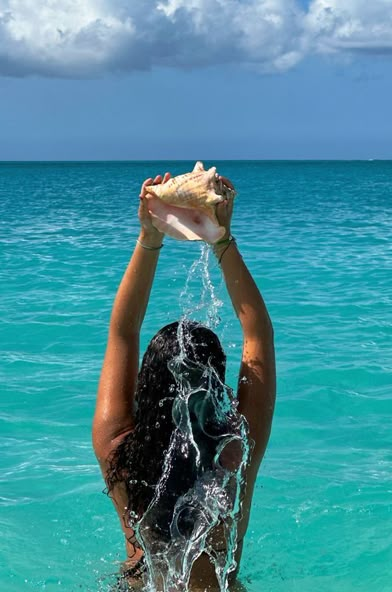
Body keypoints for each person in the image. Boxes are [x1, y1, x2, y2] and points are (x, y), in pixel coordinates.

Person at [92, 171, 276, 591]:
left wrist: (150, 235)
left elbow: (122, 332)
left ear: (144, 385)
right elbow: (258, 336)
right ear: (215, 386)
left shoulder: (117, 451)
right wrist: (222, 239)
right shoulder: (236, 456)